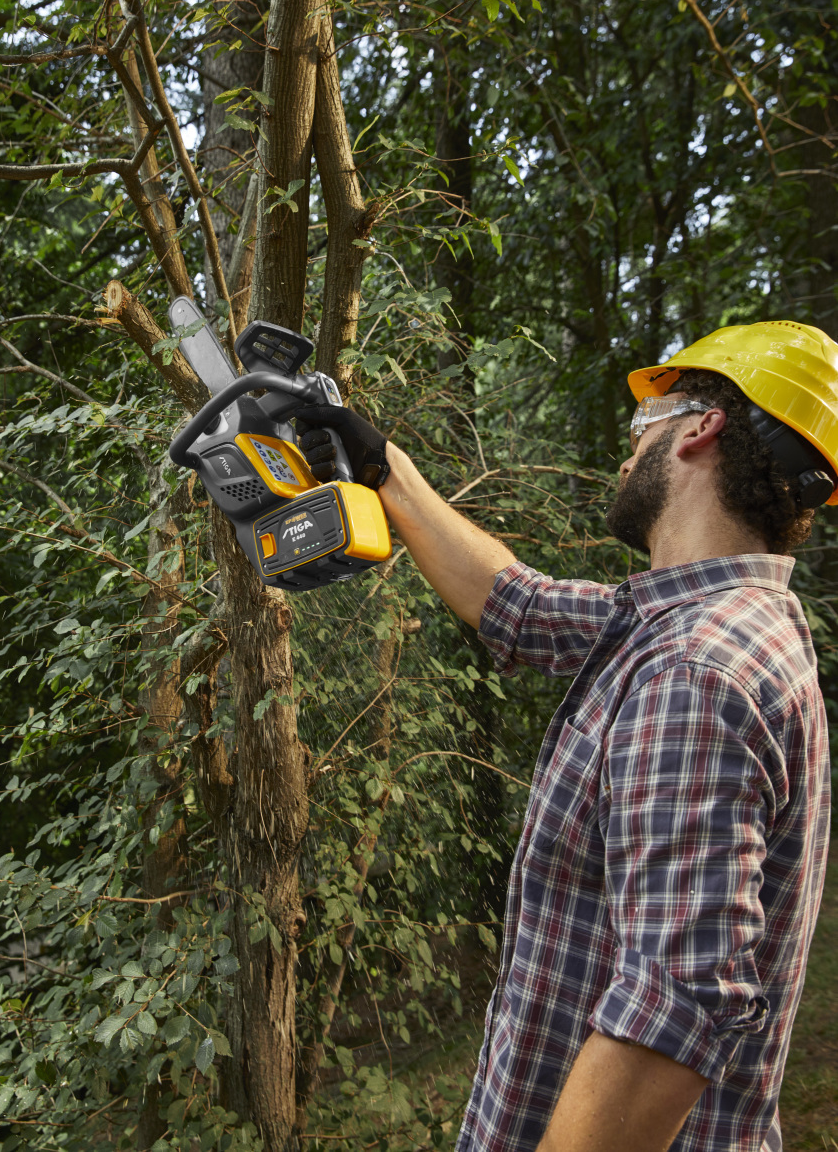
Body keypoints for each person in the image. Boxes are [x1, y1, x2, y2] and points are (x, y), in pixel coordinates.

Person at [296, 320, 834, 1152]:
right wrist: (381, 467)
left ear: (702, 428)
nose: (628, 456)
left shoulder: (695, 671)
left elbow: (677, 1001)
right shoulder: (704, 622)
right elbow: (519, 605)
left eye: (642, 427)